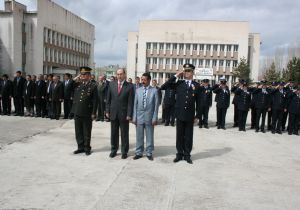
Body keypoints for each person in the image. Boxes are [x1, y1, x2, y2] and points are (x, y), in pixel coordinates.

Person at [161, 63, 199, 164]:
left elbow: (199, 102)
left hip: (190, 115)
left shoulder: (196, 85)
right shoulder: (179, 83)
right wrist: (176, 75)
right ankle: (179, 154)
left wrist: (197, 115)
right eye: (185, 71)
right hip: (179, 114)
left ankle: (187, 155)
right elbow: (164, 86)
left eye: (189, 71)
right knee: (180, 135)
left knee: (189, 135)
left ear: (192, 72)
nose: (187, 73)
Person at [106, 68, 133, 159]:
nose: (119, 76)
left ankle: (124, 151)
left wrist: (129, 114)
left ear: (125, 74)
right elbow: (108, 99)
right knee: (113, 133)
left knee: (124, 134)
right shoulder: (111, 84)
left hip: (124, 114)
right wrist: (107, 111)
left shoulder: (129, 86)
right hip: (113, 113)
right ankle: (113, 150)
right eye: (118, 74)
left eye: (121, 74)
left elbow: (130, 102)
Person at [132, 72, 159, 161]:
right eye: (142, 79)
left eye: (144, 80)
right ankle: (139, 152)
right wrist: (134, 117)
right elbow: (135, 105)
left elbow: (156, 106)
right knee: (139, 136)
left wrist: (155, 117)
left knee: (149, 135)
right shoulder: (138, 90)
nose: (142, 81)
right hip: (139, 117)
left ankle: (149, 152)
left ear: (149, 80)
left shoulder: (154, 91)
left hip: (149, 117)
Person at [72, 67, 98, 155]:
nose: (83, 76)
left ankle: (87, 148)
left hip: (87, 112)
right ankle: (80, 147)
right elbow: (67, 88)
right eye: (82, 74)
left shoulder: (93, 86)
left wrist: (94, 113)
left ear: (89, 76)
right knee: (78, 131)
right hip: (77, 111)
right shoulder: (78, 84)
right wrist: (75, 78)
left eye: (85, 74)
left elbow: (95, 101)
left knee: (86, 131)